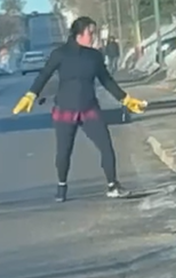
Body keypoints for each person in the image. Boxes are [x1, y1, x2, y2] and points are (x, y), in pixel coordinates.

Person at [11, 15, 147, 202]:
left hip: (89, 108)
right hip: (65, 110)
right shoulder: (60, 54)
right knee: (64, 151)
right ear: (79, 34)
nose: (93, 36)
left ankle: (113, 185)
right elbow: (44, 75)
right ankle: (61, 186)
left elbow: (106, 80)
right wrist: (31, 95)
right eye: (90, 32)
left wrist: (126, 99)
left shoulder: (94, 56)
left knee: (106, 146)